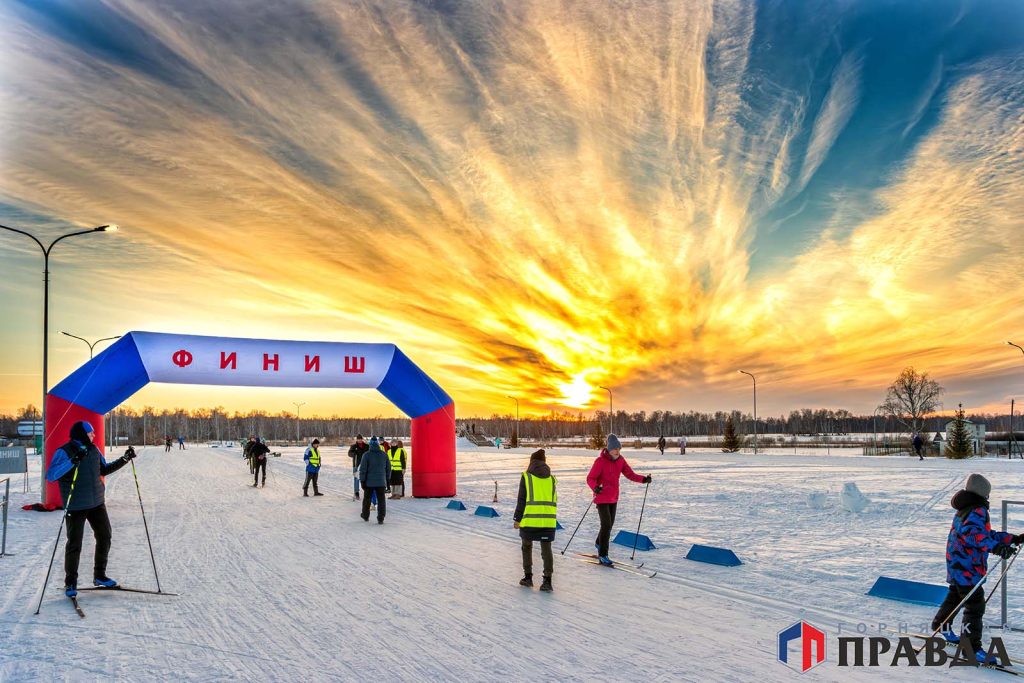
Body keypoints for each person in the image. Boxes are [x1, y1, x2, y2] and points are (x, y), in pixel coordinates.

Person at [931, 474, 1024, 663]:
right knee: (975, 606)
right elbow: (973, 535)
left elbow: (983, 533)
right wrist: (996, 548)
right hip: (968, 566)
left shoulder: (965, 508)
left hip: (957, 563)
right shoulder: (978, 510)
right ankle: (970, 648)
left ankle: (942, 625)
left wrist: (1011, 539)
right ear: (982, 493)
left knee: (956, 595)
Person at [44, 421, 137, 597]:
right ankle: (70, 583)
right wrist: (73, 461)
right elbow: (51, 475)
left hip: (96, 503)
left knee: (105, 536)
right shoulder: (64, 451)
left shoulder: (94, 449)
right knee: (75, 544)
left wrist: (125, 458)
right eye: (90, 433)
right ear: (81, 434)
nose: (94, 435)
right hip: (76, 505)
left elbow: (104, 469)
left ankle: (99, 576)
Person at [586, 434, 651, 566]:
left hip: (613, 498)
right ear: (609, 449)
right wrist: (595, 487)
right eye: (615, 449)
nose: (617, 451)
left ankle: (599, 542)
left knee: (609, 525)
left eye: (619, 449)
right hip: (601, 497)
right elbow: (590, 478)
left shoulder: (620, 461)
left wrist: (643, 479)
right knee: (606, 525)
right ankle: (603, 554)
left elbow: (630, 474)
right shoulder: (600, 462)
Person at [513, 449, 557, 592]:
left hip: (530, 519)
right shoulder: (552, 479)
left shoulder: (527, 477)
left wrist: (517, 519)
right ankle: (547, 581)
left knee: (527, 547)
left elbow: (522, 500)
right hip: (548, 520)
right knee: (546, 549)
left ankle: (528, 577)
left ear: (531, 462)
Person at [359, 436, 391, 524]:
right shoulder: (384, 454)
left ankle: (365, 515)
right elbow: (388, 468)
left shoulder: (366, 455)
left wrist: (362, 481)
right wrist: (387, 480)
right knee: (381, 500)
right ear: (377, 444)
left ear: (370, 445)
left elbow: (363, 469)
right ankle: (381, 517)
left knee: (367, 499)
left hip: (369, 482)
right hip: (381, 482)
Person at [348, 435, 368, 501]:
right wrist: (354, 453)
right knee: (356, 479)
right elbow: (349, 453)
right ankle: (356, 492)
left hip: (365, 465)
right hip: (356, 465)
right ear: (357, 440)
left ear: (362, 439)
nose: (359, 440)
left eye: (360, 439)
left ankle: (367, 491)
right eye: (358, 439)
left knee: (366, 478)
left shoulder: (367, 446)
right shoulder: (353, 446)